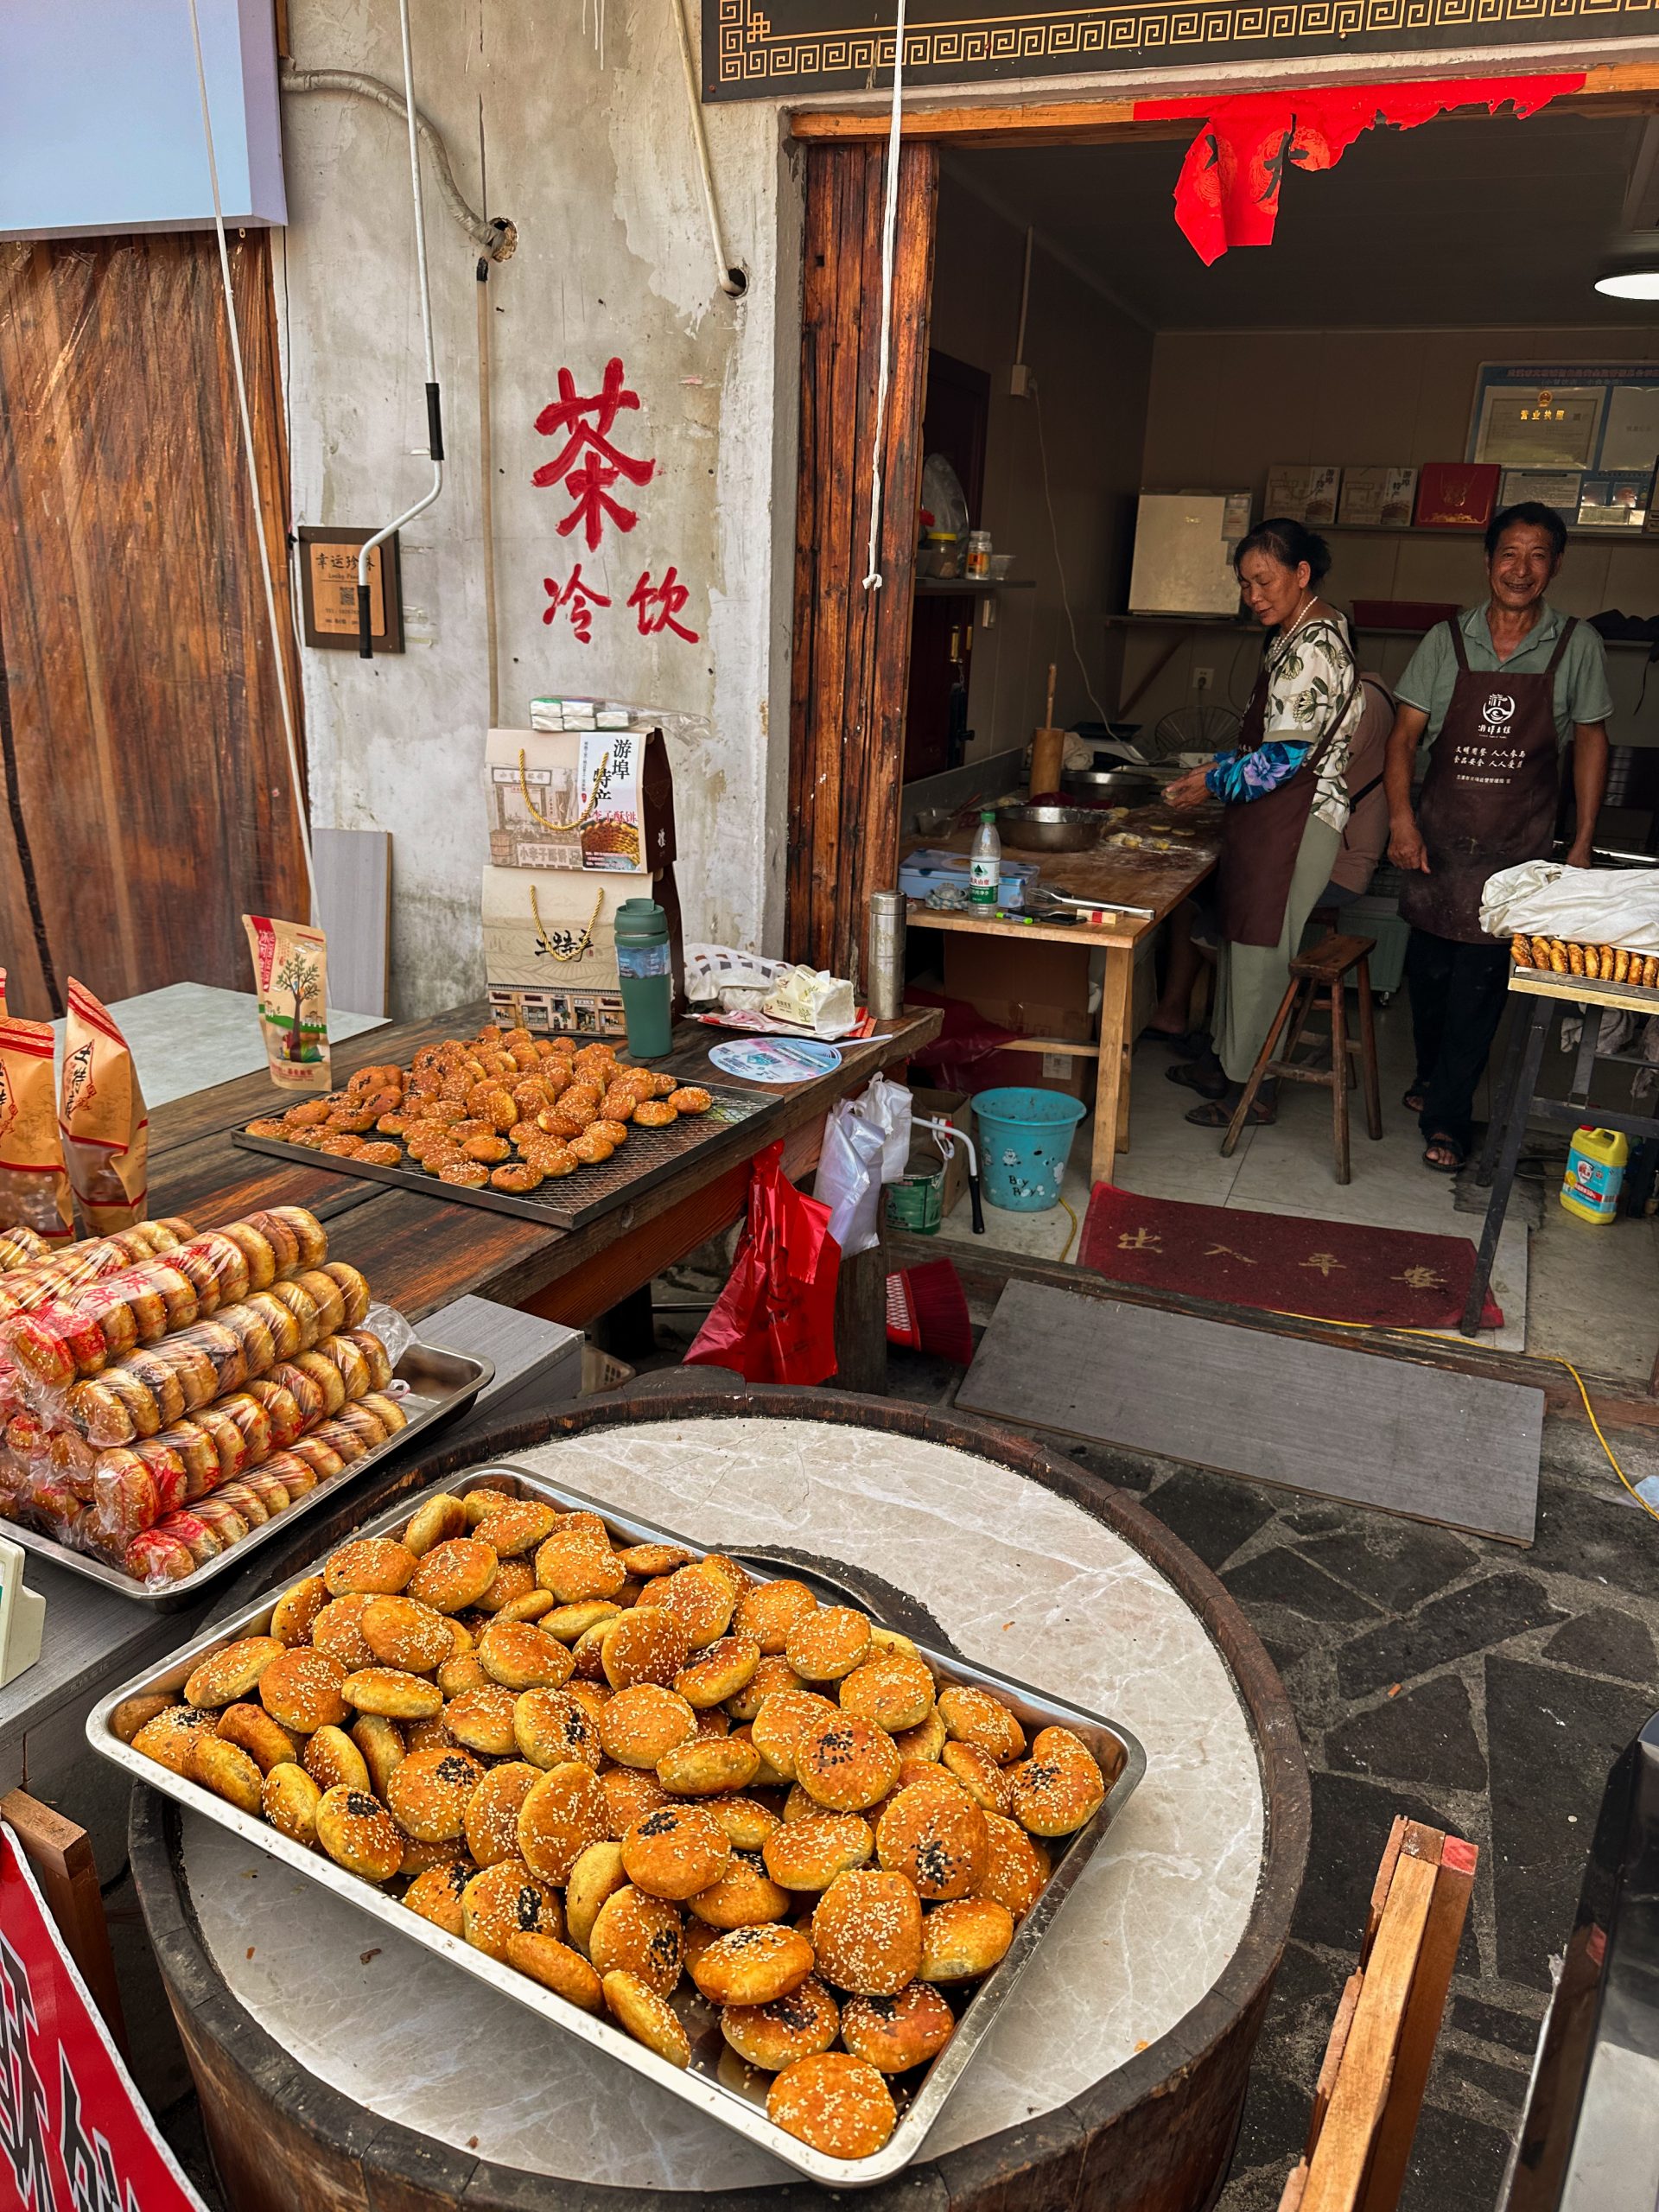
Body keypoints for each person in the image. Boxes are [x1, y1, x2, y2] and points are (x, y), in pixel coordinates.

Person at [1384, 501, 1611, 1173]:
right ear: (1488, 562)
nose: (1521, 569)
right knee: (1428, 977)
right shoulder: (1445, 641)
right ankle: (1432, 1078)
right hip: (1438, 842)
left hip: (1517, 850)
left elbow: (1593, 742)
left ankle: (1450, 1119)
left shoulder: (1576, 645)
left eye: (1538, 555)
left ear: (1556, 565)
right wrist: (1401, 818)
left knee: (1480, 986)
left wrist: (1582, 841)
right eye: (1509, 554)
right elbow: (1403, 737)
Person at [1164, 518, 1363, 1128]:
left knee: (1262, 954)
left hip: (1297, 818)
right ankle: (1227, 1063)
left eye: (1265, 580)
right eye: (1246, 583)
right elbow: (1272, 744)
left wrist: (1211, 782)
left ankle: (1254, 1090)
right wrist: (1220, 767)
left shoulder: (1311, 647)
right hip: (1275, 814)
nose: (1254, 595)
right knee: (1241, 943)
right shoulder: (1294, 633)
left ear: (1301, 575)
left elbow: (1282, 759)